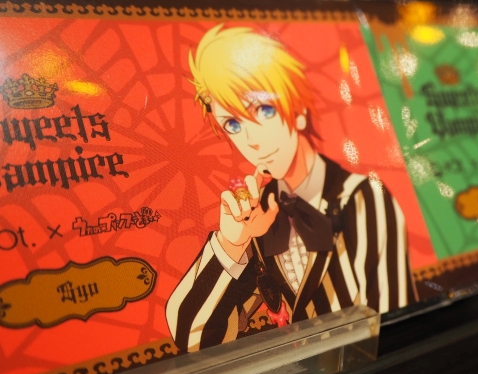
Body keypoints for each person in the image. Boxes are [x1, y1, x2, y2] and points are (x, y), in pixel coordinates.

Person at [166, 25, 417, 353]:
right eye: (233, 124)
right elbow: (194, 340)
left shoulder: (364, 198)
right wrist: (232, 243)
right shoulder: (260, 212)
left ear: (298, 110)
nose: (252, 140)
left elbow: (397, 330)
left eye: (264, 110)